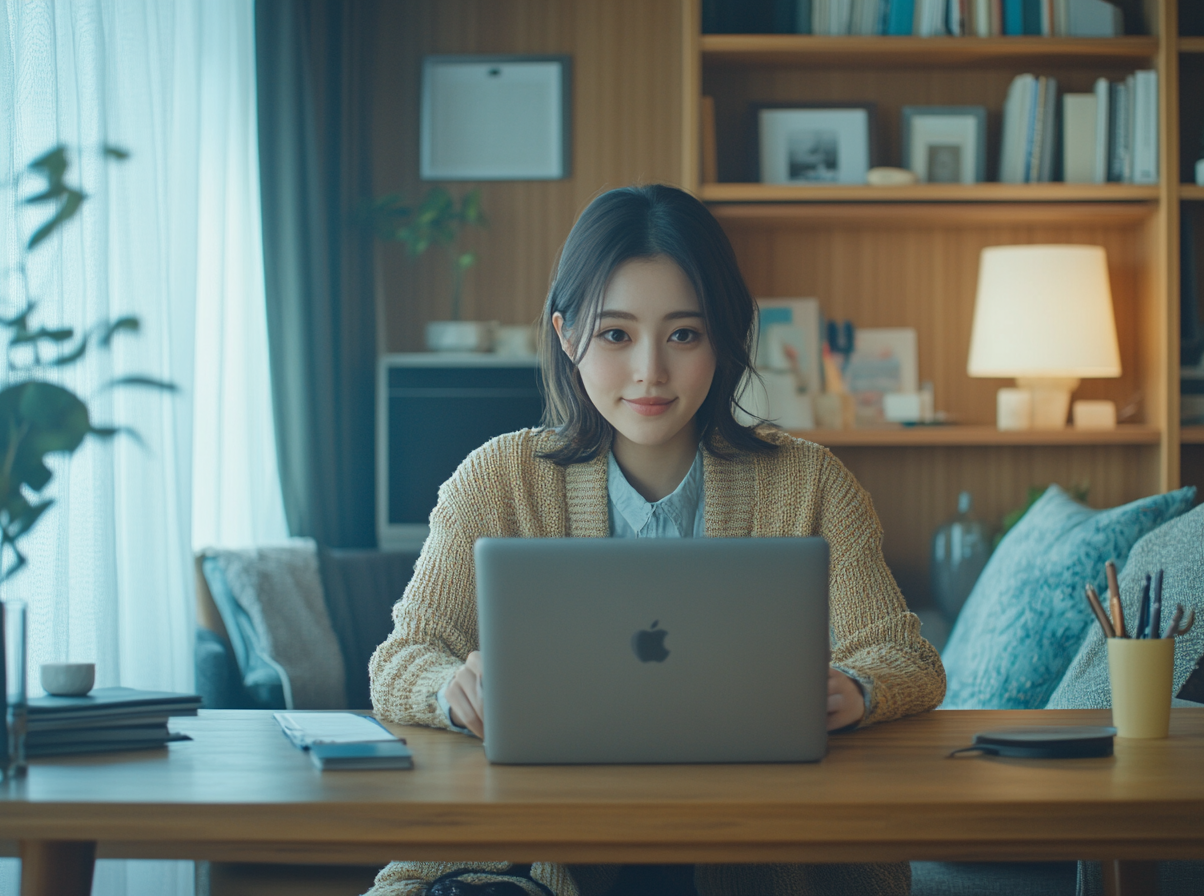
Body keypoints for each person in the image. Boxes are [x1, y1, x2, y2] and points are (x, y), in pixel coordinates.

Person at [366, 184, 946, 896]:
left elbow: (906, 656)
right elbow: (399, 660)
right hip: (535, 858)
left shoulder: (810, 483)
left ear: (725, 337)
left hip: (757, 852)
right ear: (566, 336)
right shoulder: (496, 480)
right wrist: (450, 689)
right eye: (615, 335)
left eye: (684, 334)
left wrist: (856, 689)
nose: (650, 371)